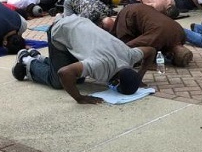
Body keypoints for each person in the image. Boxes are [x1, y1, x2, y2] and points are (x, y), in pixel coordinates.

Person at [11, 15, 155, 104]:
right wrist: (80, 98)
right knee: (58, 82)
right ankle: (27, 60)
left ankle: (38, 57)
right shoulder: (100, 64)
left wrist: (139, 75)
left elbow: (151, 51)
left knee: (78, 78)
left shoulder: (130, 56)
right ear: (116, 81)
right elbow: (64, 73)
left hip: (79, 24)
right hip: (60, 31)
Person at [102, 4, 193, 67]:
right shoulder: (159, 38)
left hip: (143, 9)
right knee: (123, 43)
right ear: (172, 54)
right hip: (129, 14)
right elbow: (130, 45)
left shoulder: (182, 35)